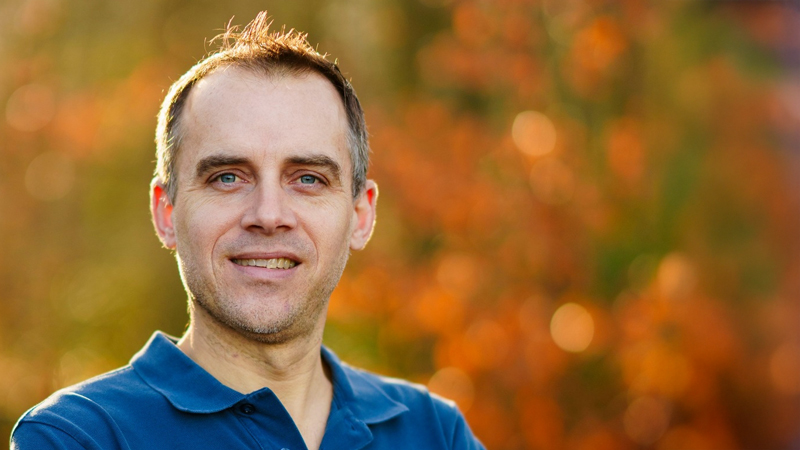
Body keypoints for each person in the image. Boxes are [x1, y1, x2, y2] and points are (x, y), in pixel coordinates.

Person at [10, 11, 485, 450]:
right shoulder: (77, 437)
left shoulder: (435, 432)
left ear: (361, 216)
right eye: (227, 177)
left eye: (308, 179)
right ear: (166, 212)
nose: (269, 214)